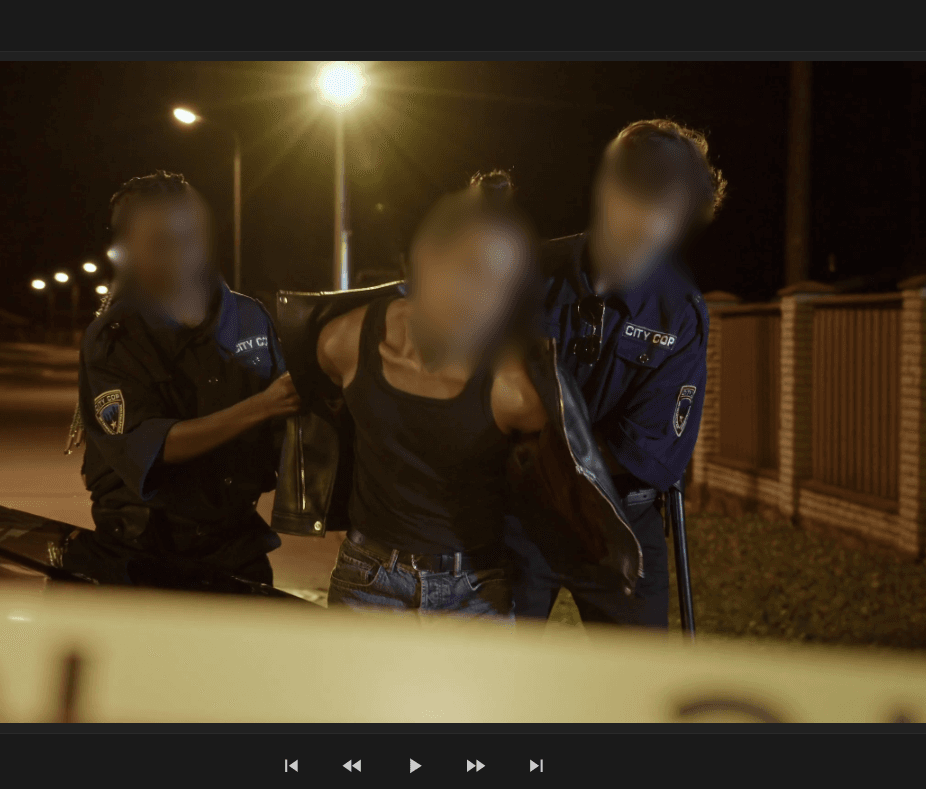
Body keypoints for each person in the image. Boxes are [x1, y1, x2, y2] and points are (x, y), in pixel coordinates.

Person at [506, 119, 729, 629]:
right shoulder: (524, 274)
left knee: (636, 677)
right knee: (491, 669)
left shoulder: (678, 313)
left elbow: (647, 452)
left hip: (623, 522)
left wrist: (540, 447)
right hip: (519, 519)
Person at [311, 172, 546, 620]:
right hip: (369, 582)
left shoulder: (514, 388)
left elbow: (555, 486)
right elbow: (319, 412)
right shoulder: (344, 342)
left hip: (477, 589)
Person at [63, 170, 298, 585]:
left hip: (238, 544)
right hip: (143, 552)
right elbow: (155, 448)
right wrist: (262, 406)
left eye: (187, 234)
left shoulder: (248, 316)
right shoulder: (115, 336)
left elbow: (287, 427)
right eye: (156, 240)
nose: (178, 251)